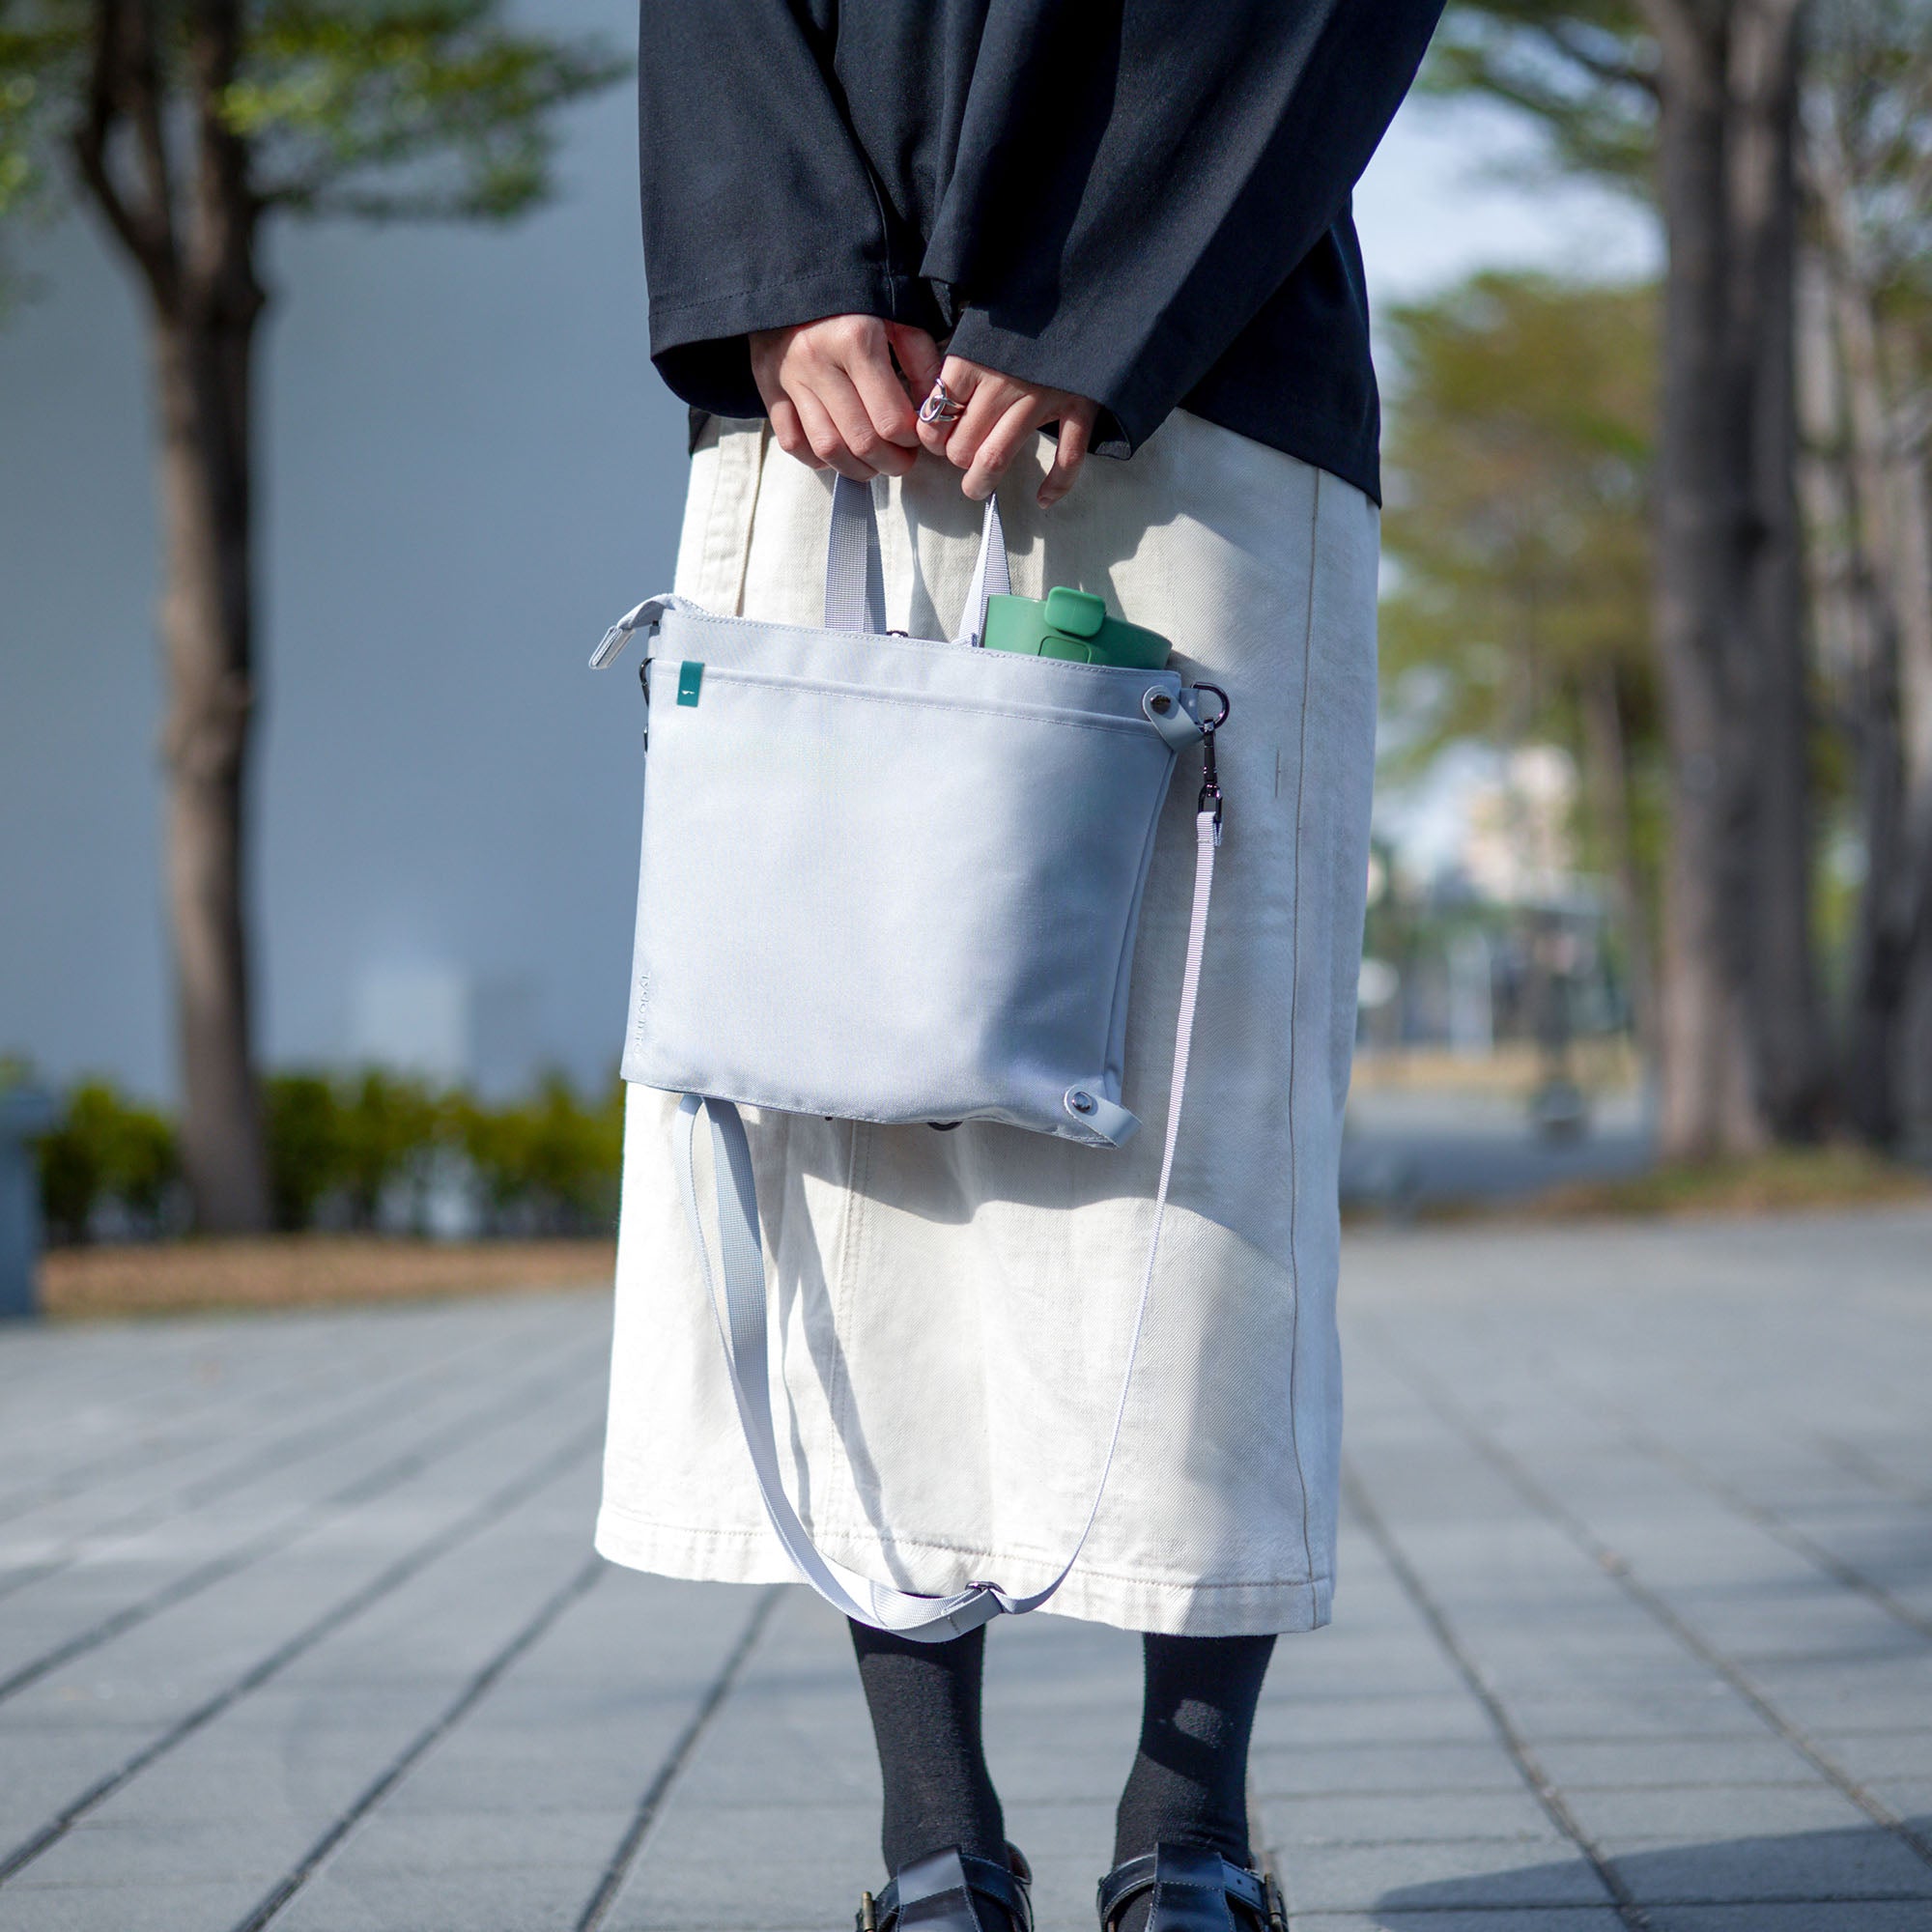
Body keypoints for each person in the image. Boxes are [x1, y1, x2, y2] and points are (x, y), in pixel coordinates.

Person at [597, 6, 1444, 1928]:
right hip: (826, 380)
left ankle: (1178, 1826)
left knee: (1193, 1116)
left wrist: (1099, 295)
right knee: (825, 1077)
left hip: (1188, 353)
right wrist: (785, 270)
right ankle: (946, 1840)